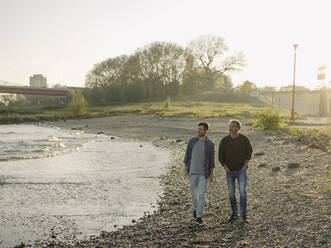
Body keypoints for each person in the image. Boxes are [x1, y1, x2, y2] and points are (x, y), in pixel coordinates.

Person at [218, 119, 253, 223]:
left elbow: (249, 152)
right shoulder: (224, 140)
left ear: (238, 128)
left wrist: (245, 165)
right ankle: (234, 214)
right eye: (230, 126)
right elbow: (220, 156)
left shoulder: (244, 139)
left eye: (232, 126)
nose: (230, 128)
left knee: (242, 192)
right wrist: (226, 169)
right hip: (229, 171)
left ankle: (243, 215)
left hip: (241, 170)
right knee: (231, 193)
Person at [184, 122, 215, 225]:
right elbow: (187, 155)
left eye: (201, 130)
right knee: (193, 194)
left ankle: (199, 216)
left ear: (206, 131)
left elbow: (211, 160)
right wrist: (185, 169)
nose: (198, 131)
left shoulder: (210, 144)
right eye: (198, 129)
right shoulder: (192, 141)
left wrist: (211, 174)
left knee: (201, 195)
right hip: (192, 172)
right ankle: (195, 209)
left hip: (204, 174)